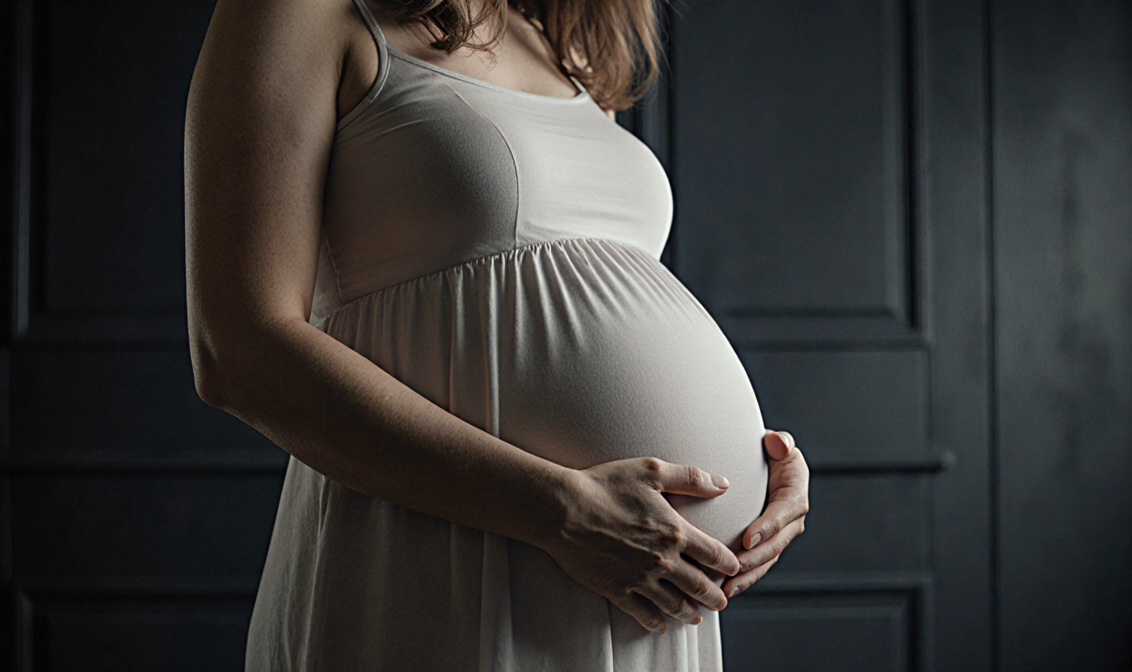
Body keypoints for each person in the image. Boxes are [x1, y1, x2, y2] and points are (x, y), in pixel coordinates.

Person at [183, 0, 810, 668]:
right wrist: (559, 512)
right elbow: (238, 349)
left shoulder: (564, 47)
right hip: (449, 550)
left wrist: (761, 473)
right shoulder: (305, 11)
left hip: (638, 585)